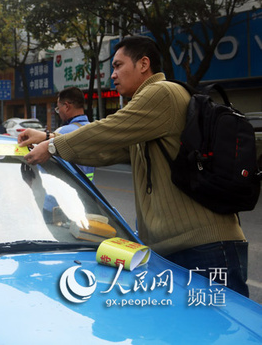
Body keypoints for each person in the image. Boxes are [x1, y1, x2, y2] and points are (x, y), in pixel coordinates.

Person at [17, 35, 248, 296]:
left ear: (144, 64)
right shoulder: (147, 115)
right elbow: (105, 150)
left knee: (223, 334)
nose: (112, 75)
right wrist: (49, 138)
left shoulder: (160, 93)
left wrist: (51, 146)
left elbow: (110, 129)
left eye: (118, 65)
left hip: (207, 248)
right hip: (180, 250)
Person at [52, 87, 94, 181]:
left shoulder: (61, 132)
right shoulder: (93, 129)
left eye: (58, 109)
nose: (59, 113)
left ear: (66, 106)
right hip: (90, 191)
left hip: (69, 191)